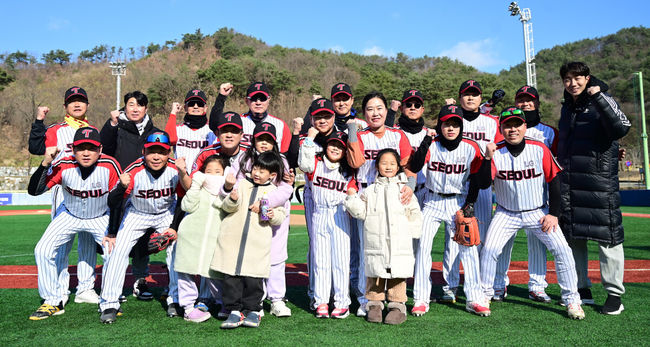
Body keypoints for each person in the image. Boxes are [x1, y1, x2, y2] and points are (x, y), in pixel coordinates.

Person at [479, 107, 585, 320]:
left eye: (517, 124)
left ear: (525, 126)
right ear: (501, 128)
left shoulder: (539, 149)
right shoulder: (495, 151)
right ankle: (485, 294)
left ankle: (572, 299)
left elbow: (555, 181)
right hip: (505, 212)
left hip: (537, 211)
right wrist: (487, 159)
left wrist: (553, 213)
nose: (512, 129)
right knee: (489, 249)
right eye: (507, 125)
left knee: (562, 250)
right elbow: (482, 183)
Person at [557, 62, 631, 315]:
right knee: (573, 237)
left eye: (578, 78)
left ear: (588, 79)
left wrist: (599, 97)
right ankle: (581, 288)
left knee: (608, 237)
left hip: (599, 183)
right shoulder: (567, 108)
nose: (573, 83)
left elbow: (621, 127)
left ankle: (614, 294)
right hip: (571, 181)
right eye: (568, 79)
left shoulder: (603, 99)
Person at [26, 127, 121, 320]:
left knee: (114, 253)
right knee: (42, 250)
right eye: (81, 148)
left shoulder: (110, 165)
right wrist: (45, 163)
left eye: (91, 148)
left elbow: (119, 200)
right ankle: (52, 301)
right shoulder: (63, 164)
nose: (86, 153)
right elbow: (34, 191)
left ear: (100, 149)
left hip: (100, 216)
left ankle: (110, 302)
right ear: (73, 149)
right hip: (69, 214)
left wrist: (112, 232)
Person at [408, 105, 492, 317]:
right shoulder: (432, 144)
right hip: (432, 201)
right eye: (447, 124)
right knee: (423, 248)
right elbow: (415, 167)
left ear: (461, 126)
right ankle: (421, 298)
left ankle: (474, 298)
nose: (451, 128)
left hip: (458, 201)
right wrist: (426, 141)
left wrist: (470, 204)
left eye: (455, 124)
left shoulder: (471, 147)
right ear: (440, 125)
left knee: (469, 250)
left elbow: (479, 181)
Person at [98, 131, 183, 323]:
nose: (156, 156)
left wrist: (174, 227)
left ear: (168, 153)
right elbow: (114, 201)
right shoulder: (134, 169)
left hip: (165, 214)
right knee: (117, 250)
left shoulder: (175, 170)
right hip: (137, 213)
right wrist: (120, 187)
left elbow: (182, 201)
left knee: (176, 249)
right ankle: (109, 302)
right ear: (144, 151)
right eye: (152, 151)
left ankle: (175, 299)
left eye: (161, 152)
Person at [27, 86, 100, 306]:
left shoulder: (93, 130)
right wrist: (39, 122)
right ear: (65, 106)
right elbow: (34, 147)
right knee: (62, 242)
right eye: (72, 101)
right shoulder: (56, 130)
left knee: (88, 242)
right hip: (64, 188)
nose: (77, 104)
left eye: (81, 101)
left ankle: (85, 288)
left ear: (87, 105)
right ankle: (59, 290)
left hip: (91, 189)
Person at [345, 91, 415, 316]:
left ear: (387, 110)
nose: (375, 113)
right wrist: (353, 131)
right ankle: (367, 299)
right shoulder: (360, 134)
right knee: (366, 249)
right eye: (370, 109)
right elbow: (355, 162)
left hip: (393, 195)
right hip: (367, 193)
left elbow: (408, 163)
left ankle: (395, 298)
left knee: (393, 246)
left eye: (379, 108)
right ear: (364, 113)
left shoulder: (397, 135)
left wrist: (410, 185)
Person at [494, 85, 559, 304]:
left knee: (537, 242)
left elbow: (556, 167)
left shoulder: (548, 132)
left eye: (529, 100)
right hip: (508, 197)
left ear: (537, 103)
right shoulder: (504, 129)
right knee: (503, 243)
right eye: (521, 100)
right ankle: (498, 284)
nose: (525, 103)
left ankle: (537, 286)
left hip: (538, 197)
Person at [345, 149, 423, 325]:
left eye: (392, 163)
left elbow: (414, 212)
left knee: (398, 273)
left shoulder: (404, 190)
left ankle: (397, 305)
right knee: (375, 272)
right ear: (377, 166)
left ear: (398, 166)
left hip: (399, 241)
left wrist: (412, 233)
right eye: (384, 163)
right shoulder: (370, 191)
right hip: (375, 240)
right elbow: (361, 212)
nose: (388, 167)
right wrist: (352, 198)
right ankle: (374, 304)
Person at [211, 151, 286, 329]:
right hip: (232, 241)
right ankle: (234, 311)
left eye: (262, 171)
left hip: (256, 244)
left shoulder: (274, 192)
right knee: (231, 278)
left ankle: (253, 310)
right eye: (255, 169)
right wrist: (232, 199)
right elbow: (227, 207)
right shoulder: (242, 184)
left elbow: (280, 216)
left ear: (272, 175)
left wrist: (271, 214)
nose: (257, 173)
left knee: (254, 280)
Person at [445, 80, 504, 303]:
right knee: (454, 237)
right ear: (460, 98)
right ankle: (450, 286)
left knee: (483, 236)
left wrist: (492, 176)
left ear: (480, 98)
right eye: (466, 94)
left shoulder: (491, 122)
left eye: (474, 94)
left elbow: (500, 150)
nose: (470, 98)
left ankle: (479, 284)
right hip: (458, 184)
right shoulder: (453, 120)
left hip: (482, 185)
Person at [100, 90, 162, 300]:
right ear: (124, 107)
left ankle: (140, 281)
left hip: (143, 191)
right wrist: (112, 124)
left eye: (140, 105)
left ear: (146, 108)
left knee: (142, 241)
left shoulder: (152, 130)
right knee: (114, 237)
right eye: (131, 104)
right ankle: (111, 285)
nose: (135, 108)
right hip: (120, 190)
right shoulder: (116, 126)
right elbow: (104, 147)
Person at [235, 122, 295, 317]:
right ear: (254, 140)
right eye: (261, 139)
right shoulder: (244, 158)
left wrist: (265, 202)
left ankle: (277, 300)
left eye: (268, 140)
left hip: (275, 216)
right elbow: (236, 183)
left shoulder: (282, 160)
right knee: (254, 259)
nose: (264, 144)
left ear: (274, 142)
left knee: (276, 259)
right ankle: (256, 301)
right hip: (250, 215)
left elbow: (286, 188)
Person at [299, 130, 357, 319]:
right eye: (332, 144)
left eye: (340, 146)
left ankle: (341, 302)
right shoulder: (316, 163)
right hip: (319, 213)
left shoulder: (349, 172)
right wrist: (309, 137)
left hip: (340, 215)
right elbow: (303, 162)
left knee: (341, 261)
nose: (335, 148)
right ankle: (321, 301)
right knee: (321, 261)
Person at [174, 154, 234, 323]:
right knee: (186, 271)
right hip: (190, 237)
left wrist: (227, 189)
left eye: (217, 171)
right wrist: (196, 184)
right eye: (208, 171)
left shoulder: (227, 191)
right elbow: (187, 206)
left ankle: (224, 303)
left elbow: (230, 208)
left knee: (215, 274)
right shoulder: (199, 189)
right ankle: (188, 308)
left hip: (216, 239)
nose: (213, 175)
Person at [394, 89, 429, 206]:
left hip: (424, 191)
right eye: (408, 105)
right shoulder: (393, 132)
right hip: (400, 191)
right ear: (401, 108)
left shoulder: (429, 134)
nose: (413, 107)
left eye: (417, 105)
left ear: (422, 109)